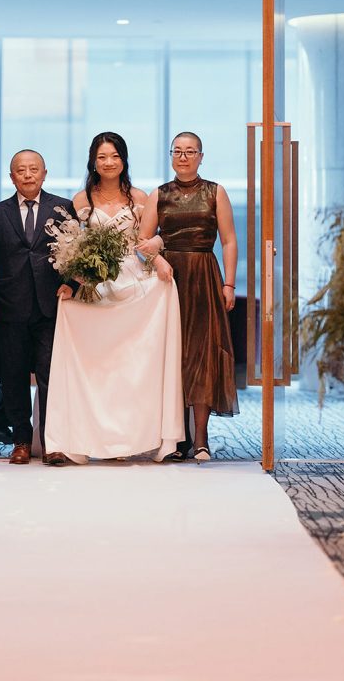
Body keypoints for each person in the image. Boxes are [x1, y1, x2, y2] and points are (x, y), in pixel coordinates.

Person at [44, 132, 185, 464]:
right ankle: (94, 438)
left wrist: (159, 256)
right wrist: (73, 280)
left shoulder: (140, 197)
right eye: (102, 157)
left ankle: (130, 439)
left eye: (115, 156)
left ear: (124, 160)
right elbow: (73, 246)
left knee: (131, 366)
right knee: (100, 367)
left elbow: (150, 239)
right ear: (93, 161)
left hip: (134, 281)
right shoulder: (81, 200)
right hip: (97, 283)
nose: (109, 162)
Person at [138, 131, 239, 461]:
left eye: (190, 151)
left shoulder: (215, 192)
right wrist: (158, 259)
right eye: (178, 151)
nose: (183, 157)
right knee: (172, 354)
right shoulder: (159, 194)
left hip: (204, 275)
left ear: (201, 156)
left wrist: (229, 284)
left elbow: (229, 241)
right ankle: (176, 439)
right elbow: (142, 241)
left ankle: (201, 438)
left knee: (202, 354)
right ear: (171, 156)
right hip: (168, 279)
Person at [0, 149, 75, 466]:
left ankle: (52, 442)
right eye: (21, 170)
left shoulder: (62, 208)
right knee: (12, 376)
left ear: (44, 173)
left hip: (49, 306)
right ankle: (21, 441)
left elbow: (76, 253)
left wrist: (73, 284)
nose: (28, 175)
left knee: (49, 375)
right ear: (12, 176)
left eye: (33, 169)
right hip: (9, 306)